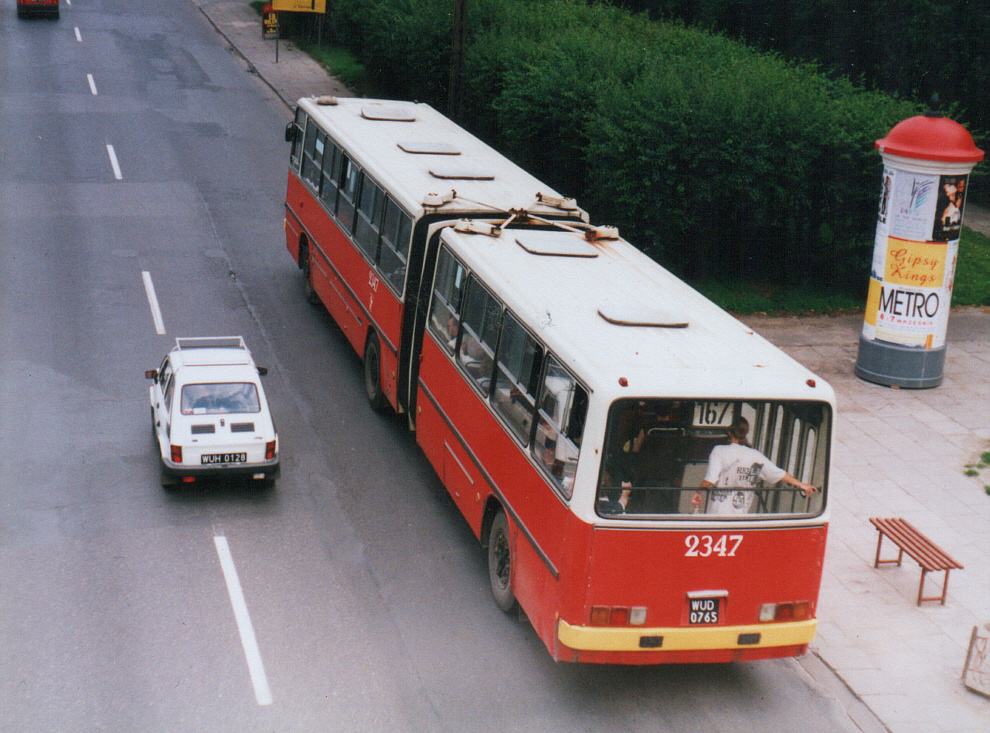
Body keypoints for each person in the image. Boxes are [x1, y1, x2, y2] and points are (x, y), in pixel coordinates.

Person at [694, 416, 817, 515]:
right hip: (741, 516)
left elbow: (711, 479)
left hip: (718, 514)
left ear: (729, 432)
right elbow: (777, 473)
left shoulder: (719, 450)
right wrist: (800, 484)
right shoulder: (755, 455)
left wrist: (698, 491)